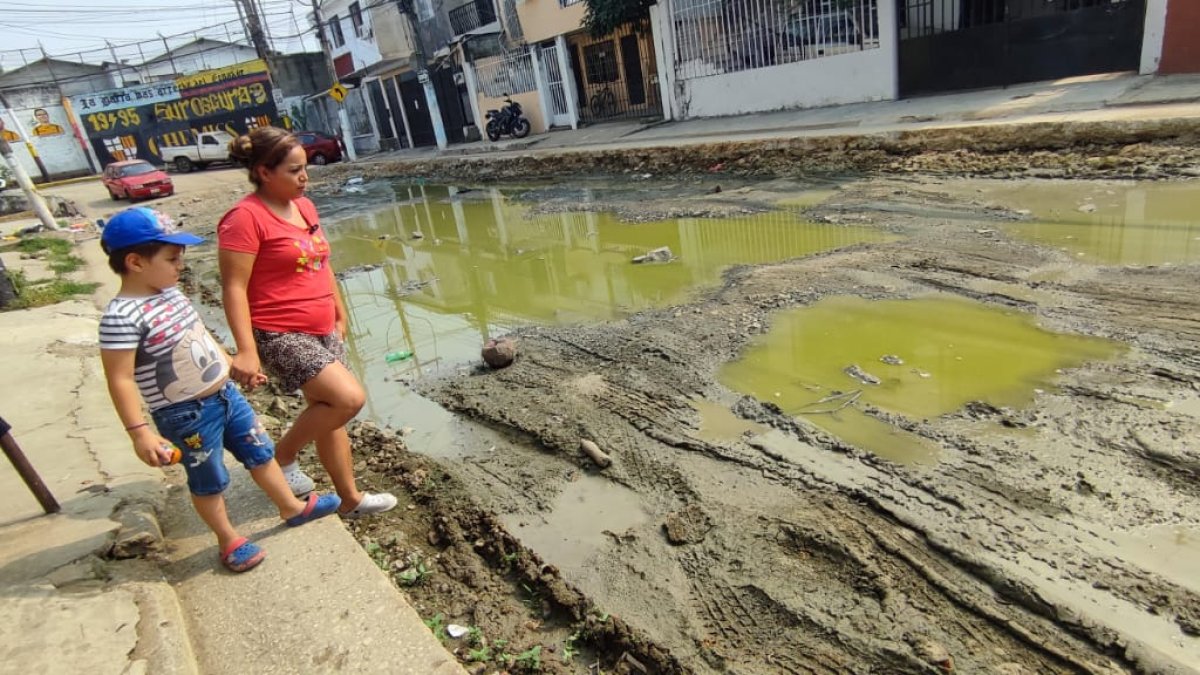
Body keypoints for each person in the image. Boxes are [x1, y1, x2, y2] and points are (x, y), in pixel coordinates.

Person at [98, 207, 341, 573]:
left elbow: (200, 337)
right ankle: (229, 539)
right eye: (172, 259)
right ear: (135, 262)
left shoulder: (171, 294)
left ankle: (291, 507)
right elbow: (120, 378)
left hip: (226, 396)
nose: (180, 266)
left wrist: (231, 364)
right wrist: (140, 432)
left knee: (260, 452)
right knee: (208, 477)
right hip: (185, 415)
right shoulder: (122, 317)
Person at [219, 127, 396, 518]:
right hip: (278, 330)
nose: (305, 177)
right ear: (265, 172)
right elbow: (233, 287)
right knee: (347, 399)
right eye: (294, 170)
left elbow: (322, 263)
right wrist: (246, 350)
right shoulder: (244, 218)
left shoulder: (305, 208)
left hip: (322, 327)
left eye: (304, 169)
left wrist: (339, 311)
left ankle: (349, 500)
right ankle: (281, 457)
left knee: (328, 411)